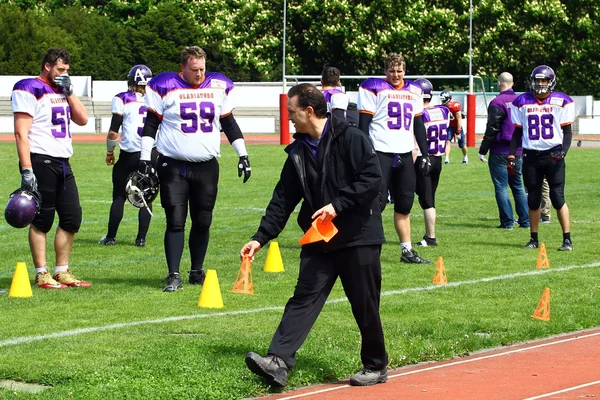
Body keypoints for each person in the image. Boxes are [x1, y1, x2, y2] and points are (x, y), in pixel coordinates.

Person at [242, 83, 388, 388]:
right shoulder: (297, 151)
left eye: (291, 112)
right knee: (302, 299)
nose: (289, 118)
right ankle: (278, 362)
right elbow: (282, 200)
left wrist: (337, 205)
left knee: (364, 303)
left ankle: (375, 365)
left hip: (358, 236)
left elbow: (373, 180)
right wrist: (260, 237)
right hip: (320, 240)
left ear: (309, 111)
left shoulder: (351, 138)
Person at [138, 46, 252, 292]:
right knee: (175, 220)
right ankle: (173, 274)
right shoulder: (164, 84)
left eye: (202, 68)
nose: (199, 74)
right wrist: (145, 159)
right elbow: (150, 124)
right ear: (183, 68)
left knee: (203, 220)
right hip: (173, 164)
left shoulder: (219, 85)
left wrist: (243, 154)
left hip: (206, 166)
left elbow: (228, 122)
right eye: (194, 69)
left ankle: (196, 270)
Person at [11, 47, 91, 289]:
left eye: (67, 70)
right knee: (42, 218)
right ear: (47, 66)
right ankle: (41, 272)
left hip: (63, 161)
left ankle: (62, 270)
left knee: (71, 217)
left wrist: (70, 92)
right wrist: (27, 169)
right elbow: (20, 132)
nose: (63, 74)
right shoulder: (29, 87)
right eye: (60, 69)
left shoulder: (63, 89)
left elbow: (83, 119)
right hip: (40, 159)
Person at [357, 53, 432, 264]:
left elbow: (418, 125)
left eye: (399, 70)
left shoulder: (414, 90)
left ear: (405, 71)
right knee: (376, 203)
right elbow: (363, 125)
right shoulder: (373, 87)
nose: (395, 74)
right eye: (392, 70)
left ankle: (406, 251)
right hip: (380, 151)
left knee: (405, 204)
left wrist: (425, 154)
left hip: (405, 152)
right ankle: (367, 246)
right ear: (385, 71)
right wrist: (365, 153)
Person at [509, 65, 574, 251]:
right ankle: (533, 238)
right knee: (533, 198)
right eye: (537, 80)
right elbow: (517, 133)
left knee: (557, 197)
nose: (540, 84)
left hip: (553, 155)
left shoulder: (561, 100)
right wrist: (512, 155)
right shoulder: (522, 101)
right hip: (531, 156)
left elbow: (567, 131)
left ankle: (567, 239)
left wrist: (564, 150)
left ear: (551, 81)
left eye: (543, 80)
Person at [100, 64, 156, 247]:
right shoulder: (156, 99)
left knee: (118, 196)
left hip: (129, 154)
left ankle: (110, 237)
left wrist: (110, 151)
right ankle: (141, 239)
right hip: (150, 154)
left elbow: (113, 131)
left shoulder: (122, 98)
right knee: (146, 198)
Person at [478, 72, 529, 229]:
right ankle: (525, 221)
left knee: (501, 187)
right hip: (518, 149)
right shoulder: (521, 101)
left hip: (500, 150)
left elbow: (492, 128)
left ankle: (507, 222)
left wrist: (483, 149)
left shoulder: (497, 102)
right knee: (517, 185)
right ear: (512, 84)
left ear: (499, 83)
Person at [412, 79, 451, 247]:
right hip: (438, 158)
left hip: (423, 157)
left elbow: (414, 142)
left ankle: (430, 237)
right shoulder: (443, 111)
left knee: (427, 201)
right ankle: (429, 235)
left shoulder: (419, 115)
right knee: (428, 199)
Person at [440, 90, 469, 164]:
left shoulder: (455, 106)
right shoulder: (443, 107)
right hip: (449, 126)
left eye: (443, 99)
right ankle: (446, 159)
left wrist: (458, 130)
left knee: (461, 145)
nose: (442, 101)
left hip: (457, 126)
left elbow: (459, 118)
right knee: (447, 141)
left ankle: (465, 156)